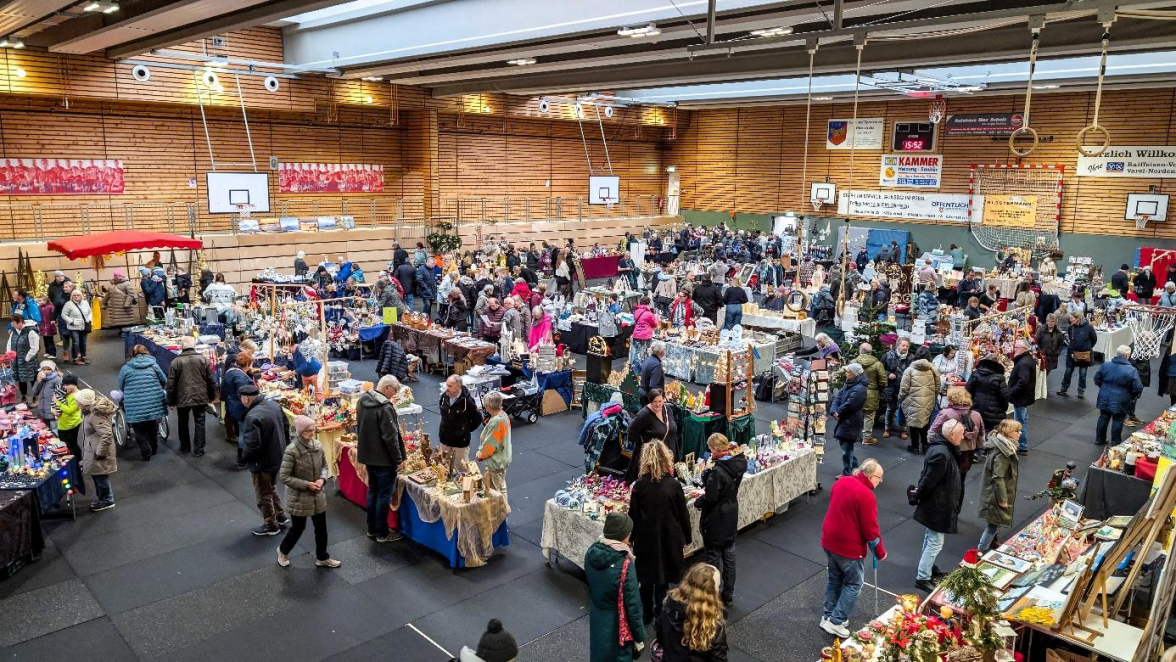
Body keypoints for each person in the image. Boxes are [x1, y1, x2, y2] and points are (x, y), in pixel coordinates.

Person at [820, 459, 887, 638]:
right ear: (871, 476)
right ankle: (836, 621)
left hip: (829, 540)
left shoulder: (842, 482)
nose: (879, 482)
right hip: (848, 548)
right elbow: (871, 530)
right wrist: (880, 552)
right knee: (854, 584)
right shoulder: (866, 495)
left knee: (834, 579)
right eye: (879, 478)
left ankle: (827, 615)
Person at [628, 440, 691, 625]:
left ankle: (646, 613)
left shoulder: (639, 485)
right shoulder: (674, 485)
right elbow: (683, 514)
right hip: (669, 537)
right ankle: (659, 614)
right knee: (663, 578)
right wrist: (687, 537)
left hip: (646, 538)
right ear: (666, 459)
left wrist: (630, 538)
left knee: (646, 579)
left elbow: (633, 515)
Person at [275, 416, 341, 568]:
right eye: (307, 431)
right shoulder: (291, 451)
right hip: (298, 497)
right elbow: (284, 476)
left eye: (313, 430)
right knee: (298, 528)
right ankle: (283, 550)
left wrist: (322, 480)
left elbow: (325, 466)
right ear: (299, 432)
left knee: (321, 528)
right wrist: (306, 485)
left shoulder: (318, 445)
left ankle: (322, 557)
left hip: (317, 494)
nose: (312, 433)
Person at [912, 419, 965, 592]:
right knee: (935, 541)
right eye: (961, 434)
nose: (963, 437)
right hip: (938, 506)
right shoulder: (943, 453)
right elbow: (928, 481)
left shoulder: (941, 449)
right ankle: (923, 576)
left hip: (937, 504)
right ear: (951, 435)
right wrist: (920, 494)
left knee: (931, 537)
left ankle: (928, 568)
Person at [585, 512, 645, 662]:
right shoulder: (625, 565)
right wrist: (640, 637)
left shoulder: (591, 553)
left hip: (598, 617)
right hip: (618, 626)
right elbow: (633, 606)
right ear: (623, 535)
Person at [695, 433, 745, 606]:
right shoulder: (738, 463)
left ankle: (711, 596)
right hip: (731, 514)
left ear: (715, 448)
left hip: (716, 518)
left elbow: (710, 497)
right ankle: (728, 594)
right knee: (730, 558)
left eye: (710, 448)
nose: (709, 451)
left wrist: (698, 502)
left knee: (713, 559)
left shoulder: (718, 471)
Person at [238, 384, 289, 534]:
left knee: (263, 493)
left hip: (262, 461)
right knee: (271, 487)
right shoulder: (274, 405)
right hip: (277, 455)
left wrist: (245, 458)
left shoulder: (252, 416)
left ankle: (271, 524)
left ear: (246, 398)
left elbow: (252, 444)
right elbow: (286, 428)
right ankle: (280, 515)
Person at [655, 564, 729, 661]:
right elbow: (719, 659)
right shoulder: (714, 624)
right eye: (717, 587)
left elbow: (660, 637)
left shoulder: (668, 605)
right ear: (711, 592)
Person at [977, 419, 1022, 552]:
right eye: (1017, 431)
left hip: (993, 493)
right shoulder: (1003, 452)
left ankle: (989, 544)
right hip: (995, 495)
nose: (1020, 433)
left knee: (994, 522)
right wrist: (1003, 499)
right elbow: (998, 478)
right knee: (993, 525)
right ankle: (981, 550)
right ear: (1008, 433)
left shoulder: (1002, 446)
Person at [117, 345, 168, 461]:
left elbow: (121, 386)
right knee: (152, 426)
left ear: (132, 354)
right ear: (146, 352)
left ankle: (146, 452)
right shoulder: (153, 365)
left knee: (139, 429)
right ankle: (154, 447)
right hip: (154, 401)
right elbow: (164, 380)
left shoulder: (126, 368)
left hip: (134, 404)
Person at [167, 336, 214, 456]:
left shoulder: (175, 362)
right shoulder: (203, 359)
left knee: (182, 422)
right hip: (200, 395)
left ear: (182, 346)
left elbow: (171, 384)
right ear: (194, 345)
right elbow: (210, 380)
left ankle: (185, 447)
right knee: (200, 422)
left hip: (182, 397)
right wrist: (211, 396)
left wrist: (171, 401)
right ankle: (199, 450)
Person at [625, 388, 678, 485]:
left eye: (660, 401)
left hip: (668, 455)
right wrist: (645, 444)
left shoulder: (668, 410)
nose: (658, 404)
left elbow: (671, 428)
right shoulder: (644, 415)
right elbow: (631, 432)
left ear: (664, 400)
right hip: (651, 458)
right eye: (655, 402)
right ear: (650, 401)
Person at [1094, 345, 1144, 446]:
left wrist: (1104, 388)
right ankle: (1115, 442)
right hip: (1122, 399)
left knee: (1103, 417)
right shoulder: (1131, 370)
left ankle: (1099, 439)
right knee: (1118, 419)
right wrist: (1132, 396)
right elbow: (1138, 387)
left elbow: (1097, 379)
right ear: (1127, 356)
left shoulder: (1106, 365)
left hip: (1104, 395)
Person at [76, 389, 117, 512]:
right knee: (97, 475)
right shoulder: (90, 412)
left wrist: (100, 453)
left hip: (98, 452)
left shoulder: (95, 415)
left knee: (101, 477)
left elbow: (107, 435)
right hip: (93, 449)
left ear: (84, 402)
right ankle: (102, 498)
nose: (76, 403)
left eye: (78, 401)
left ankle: (107, 500)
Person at [899, 346, 941, 454]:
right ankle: (925, 445)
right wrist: (932, 396)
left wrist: (901, 399)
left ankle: (915, 446)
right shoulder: (933, 369)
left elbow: (904, 388)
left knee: (913, 424)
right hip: (928, 400)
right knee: (925, 423)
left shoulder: (910, 370)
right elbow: (937, 387)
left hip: (912, 401)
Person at [830, 363, 868, 476]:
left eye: (848, 371)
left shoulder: (859, 389)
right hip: (846, 420)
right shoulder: (850, 382)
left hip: (851, 422)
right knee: (846, 447)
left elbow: (850, 404)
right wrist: (834, 410)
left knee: (846, 449)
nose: (846, 373)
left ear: (855, 374)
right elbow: (839, 397)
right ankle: (856, 470)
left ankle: (847, 473)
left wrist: (839, 412)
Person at [222, 352, 256, 469]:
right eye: (250, 364)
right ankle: (242, 459)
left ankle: (242, 458)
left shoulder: (230, 371)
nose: (251, 367)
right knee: (244, 433)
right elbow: (246, 395)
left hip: (233, 405)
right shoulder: (241, 377)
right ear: (246, 364)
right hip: (241, 408)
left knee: (242, 431)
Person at [477, 391, 512, 499]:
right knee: (501, 487)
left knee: (493, 493)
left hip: (495, 462)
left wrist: (480, 454)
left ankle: (498, 514)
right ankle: (505, 512)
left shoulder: (496, 421)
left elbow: (491, 445)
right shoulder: (503, 415)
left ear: (487, 406)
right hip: (503, 459)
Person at [440, 375, 482, 464]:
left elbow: (478, 419)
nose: (447, 388)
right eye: (446, 385)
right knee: (443, 467)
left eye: (450, 386)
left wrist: (465, 429)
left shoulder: (468, 401)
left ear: (458, 386)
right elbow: (442, 411)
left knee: (461, 470)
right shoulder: (444, 396)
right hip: (445, 440)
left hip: (460, 442)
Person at [967, 353, 1009, 444]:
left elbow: (968, 391)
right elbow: (1004, 396)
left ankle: (975, 450)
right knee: (989, 431)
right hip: (993, 410)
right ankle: (985, 450)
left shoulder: (975, 374)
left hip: (976, 406)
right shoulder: (999, 377)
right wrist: (1003, 408)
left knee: (975, 428)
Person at [1007, 339, 1037, 455]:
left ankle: (1022, 446)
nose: (1015, 349)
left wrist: (1011, 392)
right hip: (1023, 397)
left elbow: (1022, 381)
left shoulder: (1024, 363)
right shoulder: (1026, 360)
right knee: (1021, 420)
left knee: (1020, 422)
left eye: (1017, 347)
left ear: (1024, 349)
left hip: (1021, 397)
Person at [1060, 311, 1098, 397]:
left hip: (1084, 354)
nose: (1070, 320)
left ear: (1078, 319)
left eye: (1072, 318)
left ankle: (1081, 391)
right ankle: (1064, 388)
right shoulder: (1070, 328)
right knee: (1068, 372)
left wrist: (1087, 347)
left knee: (1083, 374)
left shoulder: (1089, 327)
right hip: (1072, 353)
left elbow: (1094, 339)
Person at [856, 344, 887, 445]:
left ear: (861, 350)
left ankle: (854, 435)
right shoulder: (878, 364)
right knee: (869, 416)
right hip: (872, 393)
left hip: (856, 391)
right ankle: (866, 437)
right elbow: (883, 381)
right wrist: (879, 389)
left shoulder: (854, 362)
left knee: (855, 413)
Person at [881, 338, 912, 440]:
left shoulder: (911, 358)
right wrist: (888, 374)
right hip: (891, 387)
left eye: (907, 346)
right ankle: (887, 428)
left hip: (905, 388)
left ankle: (903, 430)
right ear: (898, 345)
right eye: (903, 345)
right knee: (890, 408)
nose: (905, 348)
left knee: (903, 409)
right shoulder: (888, 356)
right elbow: (881, 369)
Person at [7, 314, 39, 403]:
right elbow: (9, 344)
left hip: (29, 361)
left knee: (32, 378)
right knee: (21, 379)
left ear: (20, 322)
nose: (12, 325)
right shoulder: (14, 331)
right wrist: (9, 353)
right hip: (17, 360)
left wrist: (27, 358)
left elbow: (35, 348)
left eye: (14, 323)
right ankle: (24, 396)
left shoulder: (31, 331)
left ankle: (36, 396)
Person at [60, 289, 91, 365]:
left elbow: (90, 312)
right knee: (75, 343)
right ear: (72, 296)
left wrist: (89, 319)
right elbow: (63, 315)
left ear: (81, 295)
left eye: (78, 295)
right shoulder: (68, 304)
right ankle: (75, 358)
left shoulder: (85, 303)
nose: (76, 296)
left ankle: (83, 356)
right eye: (74, 295)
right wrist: (71, 322)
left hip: (84, 326)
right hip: (73, 327)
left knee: (83, 342)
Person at [56, 374, 83, 459]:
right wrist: (55, 412)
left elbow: (70, 410)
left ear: (74, 384)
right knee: (65, 444)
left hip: (72, 424)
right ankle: (71, 461)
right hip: (62, 424)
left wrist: (58, 403)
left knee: (72, 444)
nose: (65, 387)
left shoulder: (77, 396)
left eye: (67, 385)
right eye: (64, 384)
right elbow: (54, 406)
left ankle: (79, 461)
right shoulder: (65, 392)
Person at [31, 361, 61, 432]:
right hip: (42, 408)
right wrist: (38, 381)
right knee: (45, 429)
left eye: (48, 369)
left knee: (54, 429)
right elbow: (35, 392)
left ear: (53, 369)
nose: (46, 371)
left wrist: (57, 408)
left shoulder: (57, 379)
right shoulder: (41, 379)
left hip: (52, 409)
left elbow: (61, 394)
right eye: (44, 369)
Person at [630, 296, 658, 370]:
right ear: (648, 304)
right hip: (645, 336)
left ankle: (636, 371)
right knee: (645, 354)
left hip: (636, 335)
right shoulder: (649, 314)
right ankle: (644, 372)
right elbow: (655, 324)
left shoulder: (636, 312)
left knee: (636, 352)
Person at [37, 295, 57, 359]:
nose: (40, 302)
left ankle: (53, 353)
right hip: (43, 326)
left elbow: (53, 315)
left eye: (41, 300)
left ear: (45, 300)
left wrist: (53, 320)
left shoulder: (50, 307)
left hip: (49, 326)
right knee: (45, 340)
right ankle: (48, 352)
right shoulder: (39, 308)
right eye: (39, 301)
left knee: (50, 341)